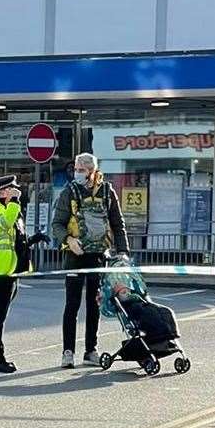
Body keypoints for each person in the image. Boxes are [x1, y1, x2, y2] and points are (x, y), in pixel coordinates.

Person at [51, 152, 129, 369]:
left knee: (94, 305)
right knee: (72, 305)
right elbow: (57, 224)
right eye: (76, 168)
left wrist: (122, 251)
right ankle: (68, 352)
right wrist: (68, 240)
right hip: (74, 256)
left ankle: (90, 350)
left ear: (93, 172)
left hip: (98, 256)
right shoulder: (69, 192)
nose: (77, 173)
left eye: (82, 170)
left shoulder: (107, 191)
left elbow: (117, 223)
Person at [0, 175, 49, 373]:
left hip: (11, 269)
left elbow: (16, 239)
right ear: (3, 192)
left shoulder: (8, 209)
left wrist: (34, 239)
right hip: (0, 270)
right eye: (12, 189)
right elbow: (4, 223)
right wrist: (15, 202)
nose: (17, 192)